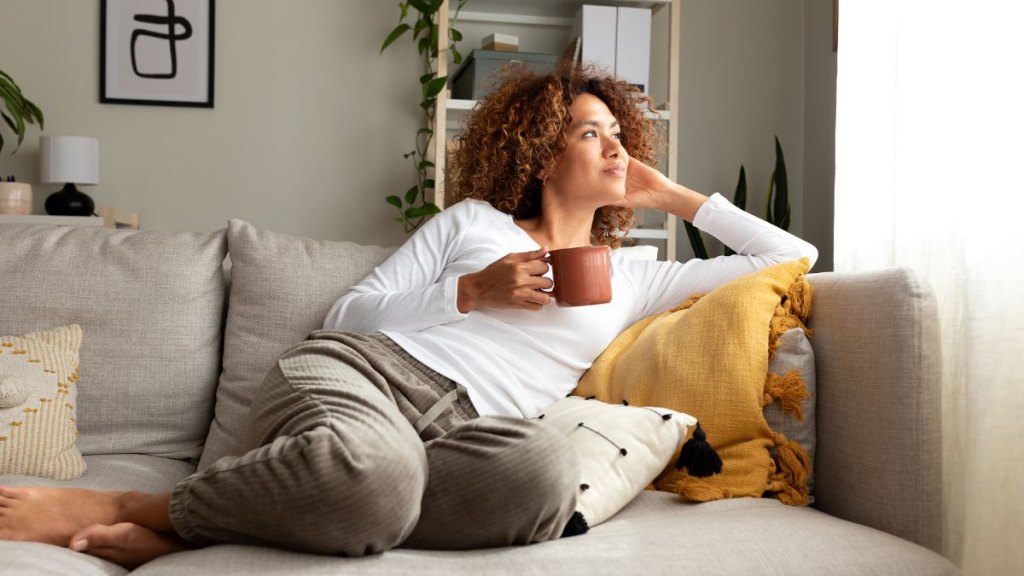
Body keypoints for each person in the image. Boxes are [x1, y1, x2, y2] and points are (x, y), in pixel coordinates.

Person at [0, 64, 816, 568]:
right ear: (537, 153)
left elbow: (789, 258)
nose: (613, 148)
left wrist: (666, 194)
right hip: (362, 377)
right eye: (588, 132)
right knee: (377, 477)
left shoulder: (635, 277)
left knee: (540, 478)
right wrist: (472, 292)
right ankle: (131, 508)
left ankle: (238, 524)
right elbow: (349, 314)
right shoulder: (471, 225)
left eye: (618, 135)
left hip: (465, 432)